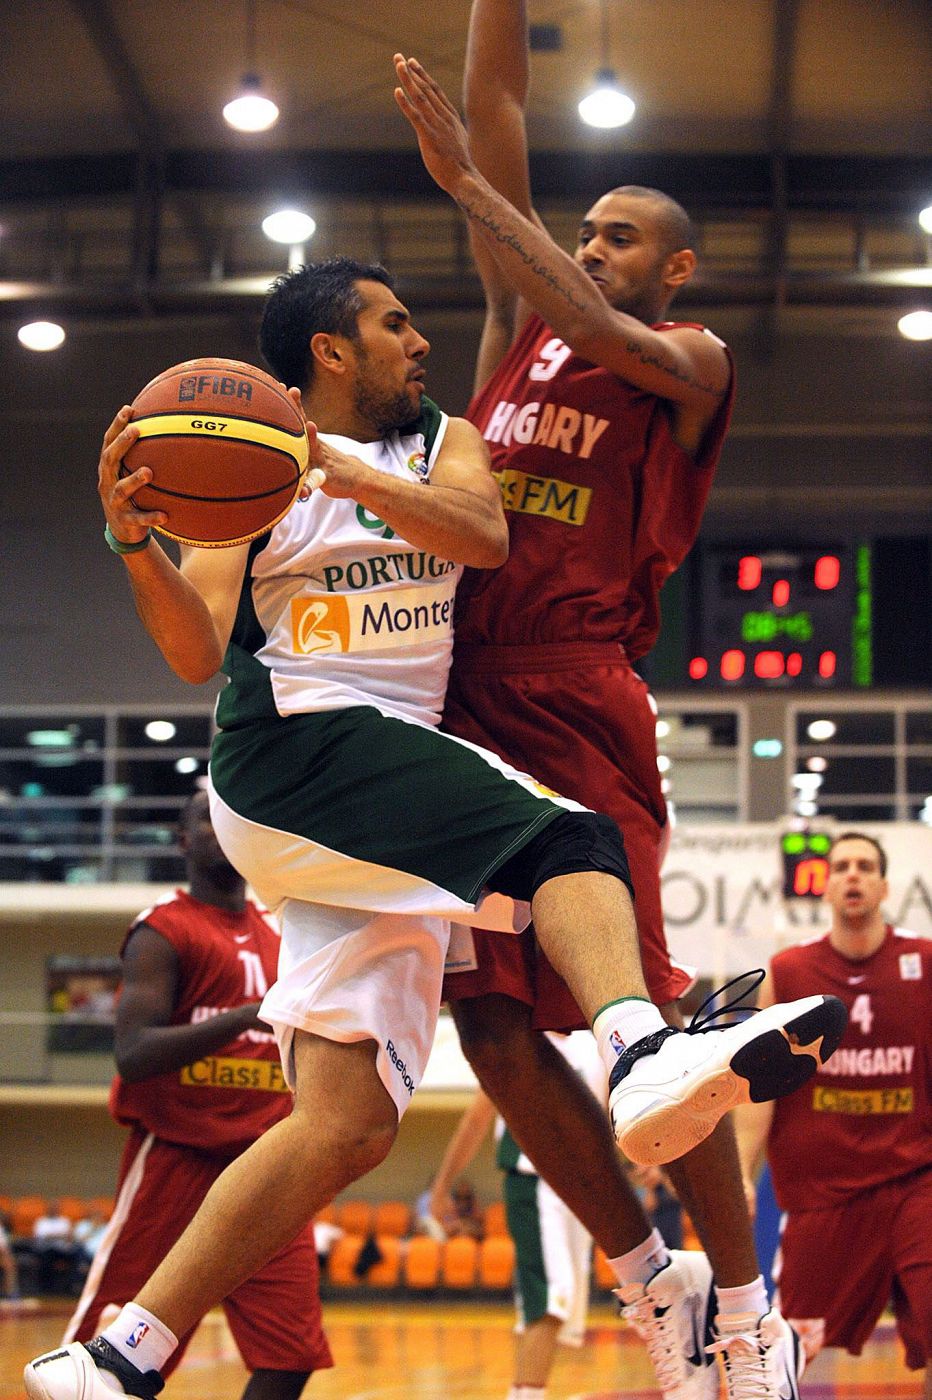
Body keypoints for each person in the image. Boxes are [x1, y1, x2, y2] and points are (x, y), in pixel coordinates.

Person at [27, 248, 840, 1400]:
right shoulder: (251, 483)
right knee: (569, 839)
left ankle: (122, 1351)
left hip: (373, 811)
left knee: (348, 1120)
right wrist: (131, 546)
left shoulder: (438, 440)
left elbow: (479, 535)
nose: (418, 342)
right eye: (394, 323)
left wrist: (335, 466)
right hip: (299, 745)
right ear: (330, 347)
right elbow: (194, 650)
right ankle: (638, 1048)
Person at [391, 11, 846, 1397]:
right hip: (464, 702)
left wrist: (470, 190)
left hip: (579, 695)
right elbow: (502, 110)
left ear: (679, 267)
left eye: (621, 236)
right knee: (489, 1032)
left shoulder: (693, 363)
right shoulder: (515, 324)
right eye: (582, 230)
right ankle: (658, 1281)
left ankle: (752, 1308)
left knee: (644, 1019)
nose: (590, 252)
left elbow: (564, 278)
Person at [60, 788, 331, 1398]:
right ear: (182, 840)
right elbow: (131, 1056)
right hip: (178, 1157)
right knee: (104, 1358)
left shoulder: (278, 930)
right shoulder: (164, 929)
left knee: (291, 1354)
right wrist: (239, 1018)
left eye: (231, 819)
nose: (221, 829)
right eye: (206, 820)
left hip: (266, 1166)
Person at [737, 832, 932, 1395]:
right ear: (825, 886)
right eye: (842, 865)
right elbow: (759, 1088)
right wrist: (742, 1174)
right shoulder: (788, 972)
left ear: (884, 885)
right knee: (795, 1350)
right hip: (824, 1194)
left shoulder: (923, 962)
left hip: (915, 1180)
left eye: (865, 866)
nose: (853, 875)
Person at [430, 1032, 604, 1400]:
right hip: (534, 1183)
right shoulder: (518, 1040)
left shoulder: (595, 1042)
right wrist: (442, 1185)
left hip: (584, 1190)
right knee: (551, 1300)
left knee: (559, 1308)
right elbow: (476, 1120)